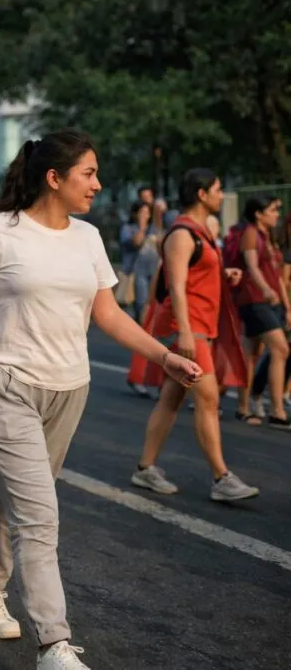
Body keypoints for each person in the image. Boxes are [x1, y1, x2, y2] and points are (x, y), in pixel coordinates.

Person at [0, 130, 202, 670]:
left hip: (70, 388)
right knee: (40, 515)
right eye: (88, 173)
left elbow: (107, 314)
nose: (98, 183)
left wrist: (164, 357)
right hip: (7, 384)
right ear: (54, 177)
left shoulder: (87, 238)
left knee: (22, 499)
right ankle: (53, 644)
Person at [128, 168, 259, 502]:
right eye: (217, 189)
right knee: (208, 398)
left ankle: (145, 468)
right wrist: (185, 334)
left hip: (201, 326)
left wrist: (223, 273)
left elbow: (198, 275)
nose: (220, 194)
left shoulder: (200, 232)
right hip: (188, 329)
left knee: (172, 398)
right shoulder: (182, 234)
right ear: (201, 194)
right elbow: (176, 285)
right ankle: (221, 477)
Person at [233, 195, 290, 427]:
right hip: (254, 300)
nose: (276, 214)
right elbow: (252, 266)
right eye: (272, 210)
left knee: (251, 354)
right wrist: (265, 289)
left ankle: (244, 407)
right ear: (258, 213)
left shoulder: (268, 237)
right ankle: (277, 412)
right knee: (281, 349)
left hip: (269, 301)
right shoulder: (250, 233)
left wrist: (286, 306)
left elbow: (277, 275)